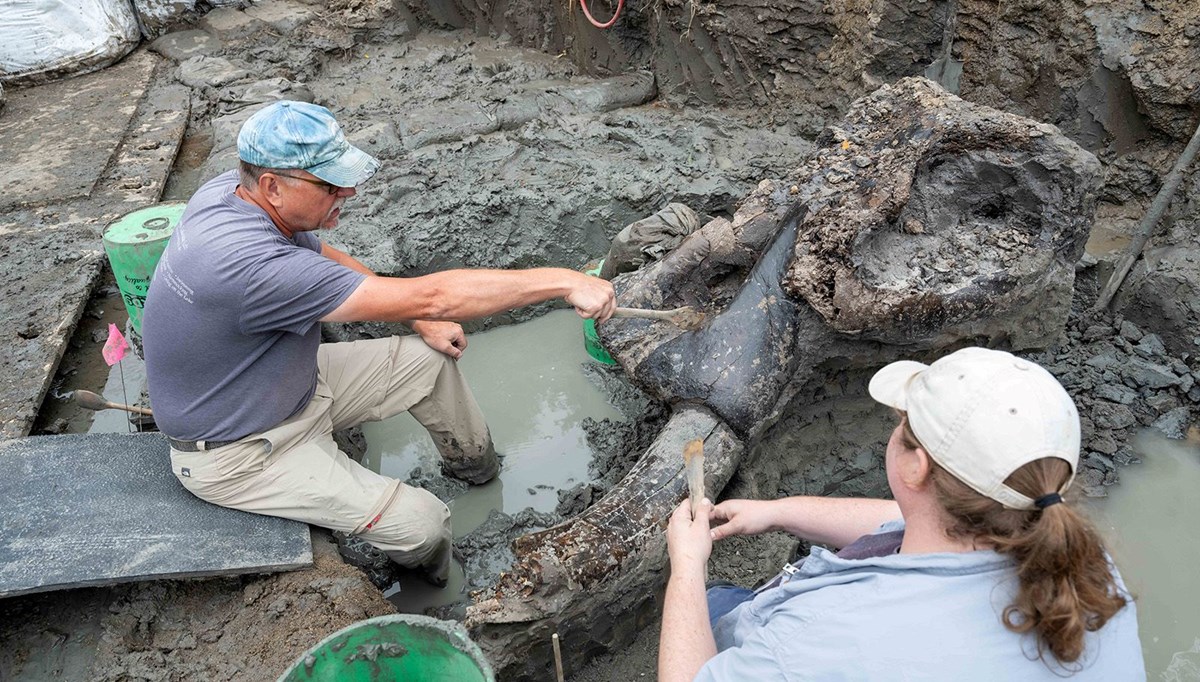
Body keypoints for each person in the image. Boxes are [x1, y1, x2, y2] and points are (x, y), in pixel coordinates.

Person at [142, 100, 615, 586]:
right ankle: (435, 582)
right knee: (423, 524)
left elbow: (327, 255)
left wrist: (418, 321)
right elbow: (435, 295)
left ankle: (477, 471)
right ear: (272, 186)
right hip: (241, 449)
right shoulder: (251, 269)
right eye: (328, 185)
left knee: (428, 363)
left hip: (284, 382)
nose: (346, 191)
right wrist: (562, 280)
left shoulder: (229, 192)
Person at [660, 347, 1144, 680]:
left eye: (903, 425)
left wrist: (686, 566)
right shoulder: (1083, 562)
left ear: (916, 465)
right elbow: (911, 520)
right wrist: (778, 511)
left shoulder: (819, 638)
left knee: (711, 601)